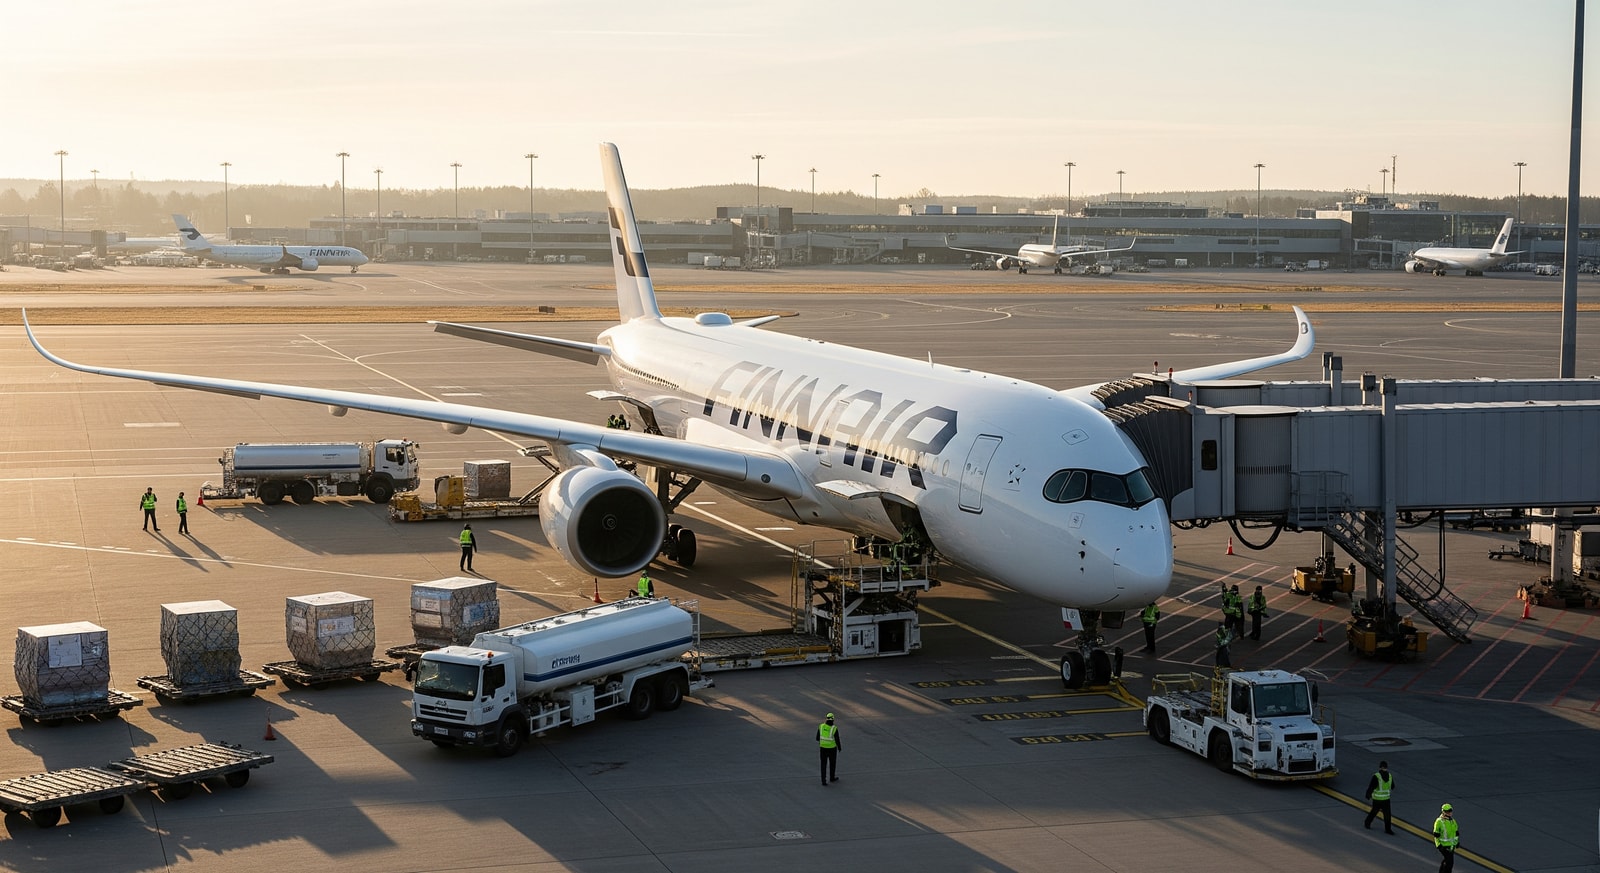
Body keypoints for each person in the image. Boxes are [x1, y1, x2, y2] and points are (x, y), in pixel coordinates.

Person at [1363, 760, 1394, 834]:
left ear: (1380, 767)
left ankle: (1367, 823)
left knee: (1374, 811)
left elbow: (1371, 786)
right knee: (1387, 814)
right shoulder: (1389, 776)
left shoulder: (1377, 776)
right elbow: (1392, 786)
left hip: (1377, 799)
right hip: (1386, 799)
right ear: (1386, 768)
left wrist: (1368, 794)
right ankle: (1388, 829)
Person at [1433, 803, 1459, 872]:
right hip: (1444, 846)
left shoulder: (1453, 821)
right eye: (1448, 811)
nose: (1450, 813)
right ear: (1443, 812)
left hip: (1451, 846)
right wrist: (1439, 845)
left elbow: (1456, 833)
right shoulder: (1439, 821)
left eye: (1450, 811)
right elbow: (1436, 835)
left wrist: (1456, 843)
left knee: (1446, 861)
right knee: (1450, 863)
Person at [816, 712, 840, 785]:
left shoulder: (821, 726)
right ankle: (832, 778)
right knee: (832, 763)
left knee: (823, 764)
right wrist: (839, 747)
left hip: (823, 748)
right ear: (833, 719)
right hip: (832, 749)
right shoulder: (834, 728)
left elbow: (817, 738)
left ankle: (823, 780)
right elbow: (837, 739)